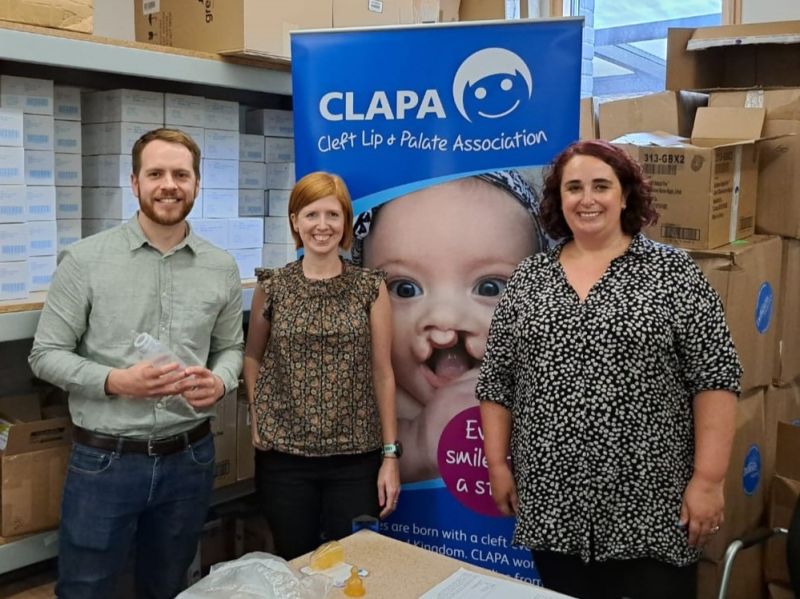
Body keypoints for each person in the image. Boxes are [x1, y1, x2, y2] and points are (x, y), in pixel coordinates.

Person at [476, 140, 742, 599]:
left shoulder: (672, 273)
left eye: (602, 185)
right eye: (573, 187)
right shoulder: (530, 279)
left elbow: (715, 378)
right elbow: (498, 379)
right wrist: (498, 465)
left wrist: (708, 480)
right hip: (553, 503)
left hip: (652, 504)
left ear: (625, 195)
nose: (588, 198)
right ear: (559, 200)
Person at [28, 128, 244, 599]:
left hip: (190, 457)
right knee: (86, 589)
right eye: (156, 173)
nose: (169, 184)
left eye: (181, 174)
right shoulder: (85, 261)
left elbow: (231, 349)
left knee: (167, 586)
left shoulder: (221, 266)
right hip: (105, 461)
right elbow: (45, 356)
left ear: (197, 184)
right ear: (134, 183)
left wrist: (222, 381)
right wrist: (115, 381)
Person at [244, 171, 400, 561]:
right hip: (285, 460)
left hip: (355, 459)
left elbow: (383, 372)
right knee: (294, 560)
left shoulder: (370, 287)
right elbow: (251, 356)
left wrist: (391, 456)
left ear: (346, 222)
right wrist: (258, 414)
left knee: (354, 563)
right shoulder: (273, 285)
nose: (322, 226)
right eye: (311, 214)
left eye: (333, 215)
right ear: (295, 221)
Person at [354, 172, 546, 482]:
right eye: (405, 289)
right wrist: (417, 444)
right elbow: (349, 470)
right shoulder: (370, 397)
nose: (445, 318)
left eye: (489, 288)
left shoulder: (538, 383)